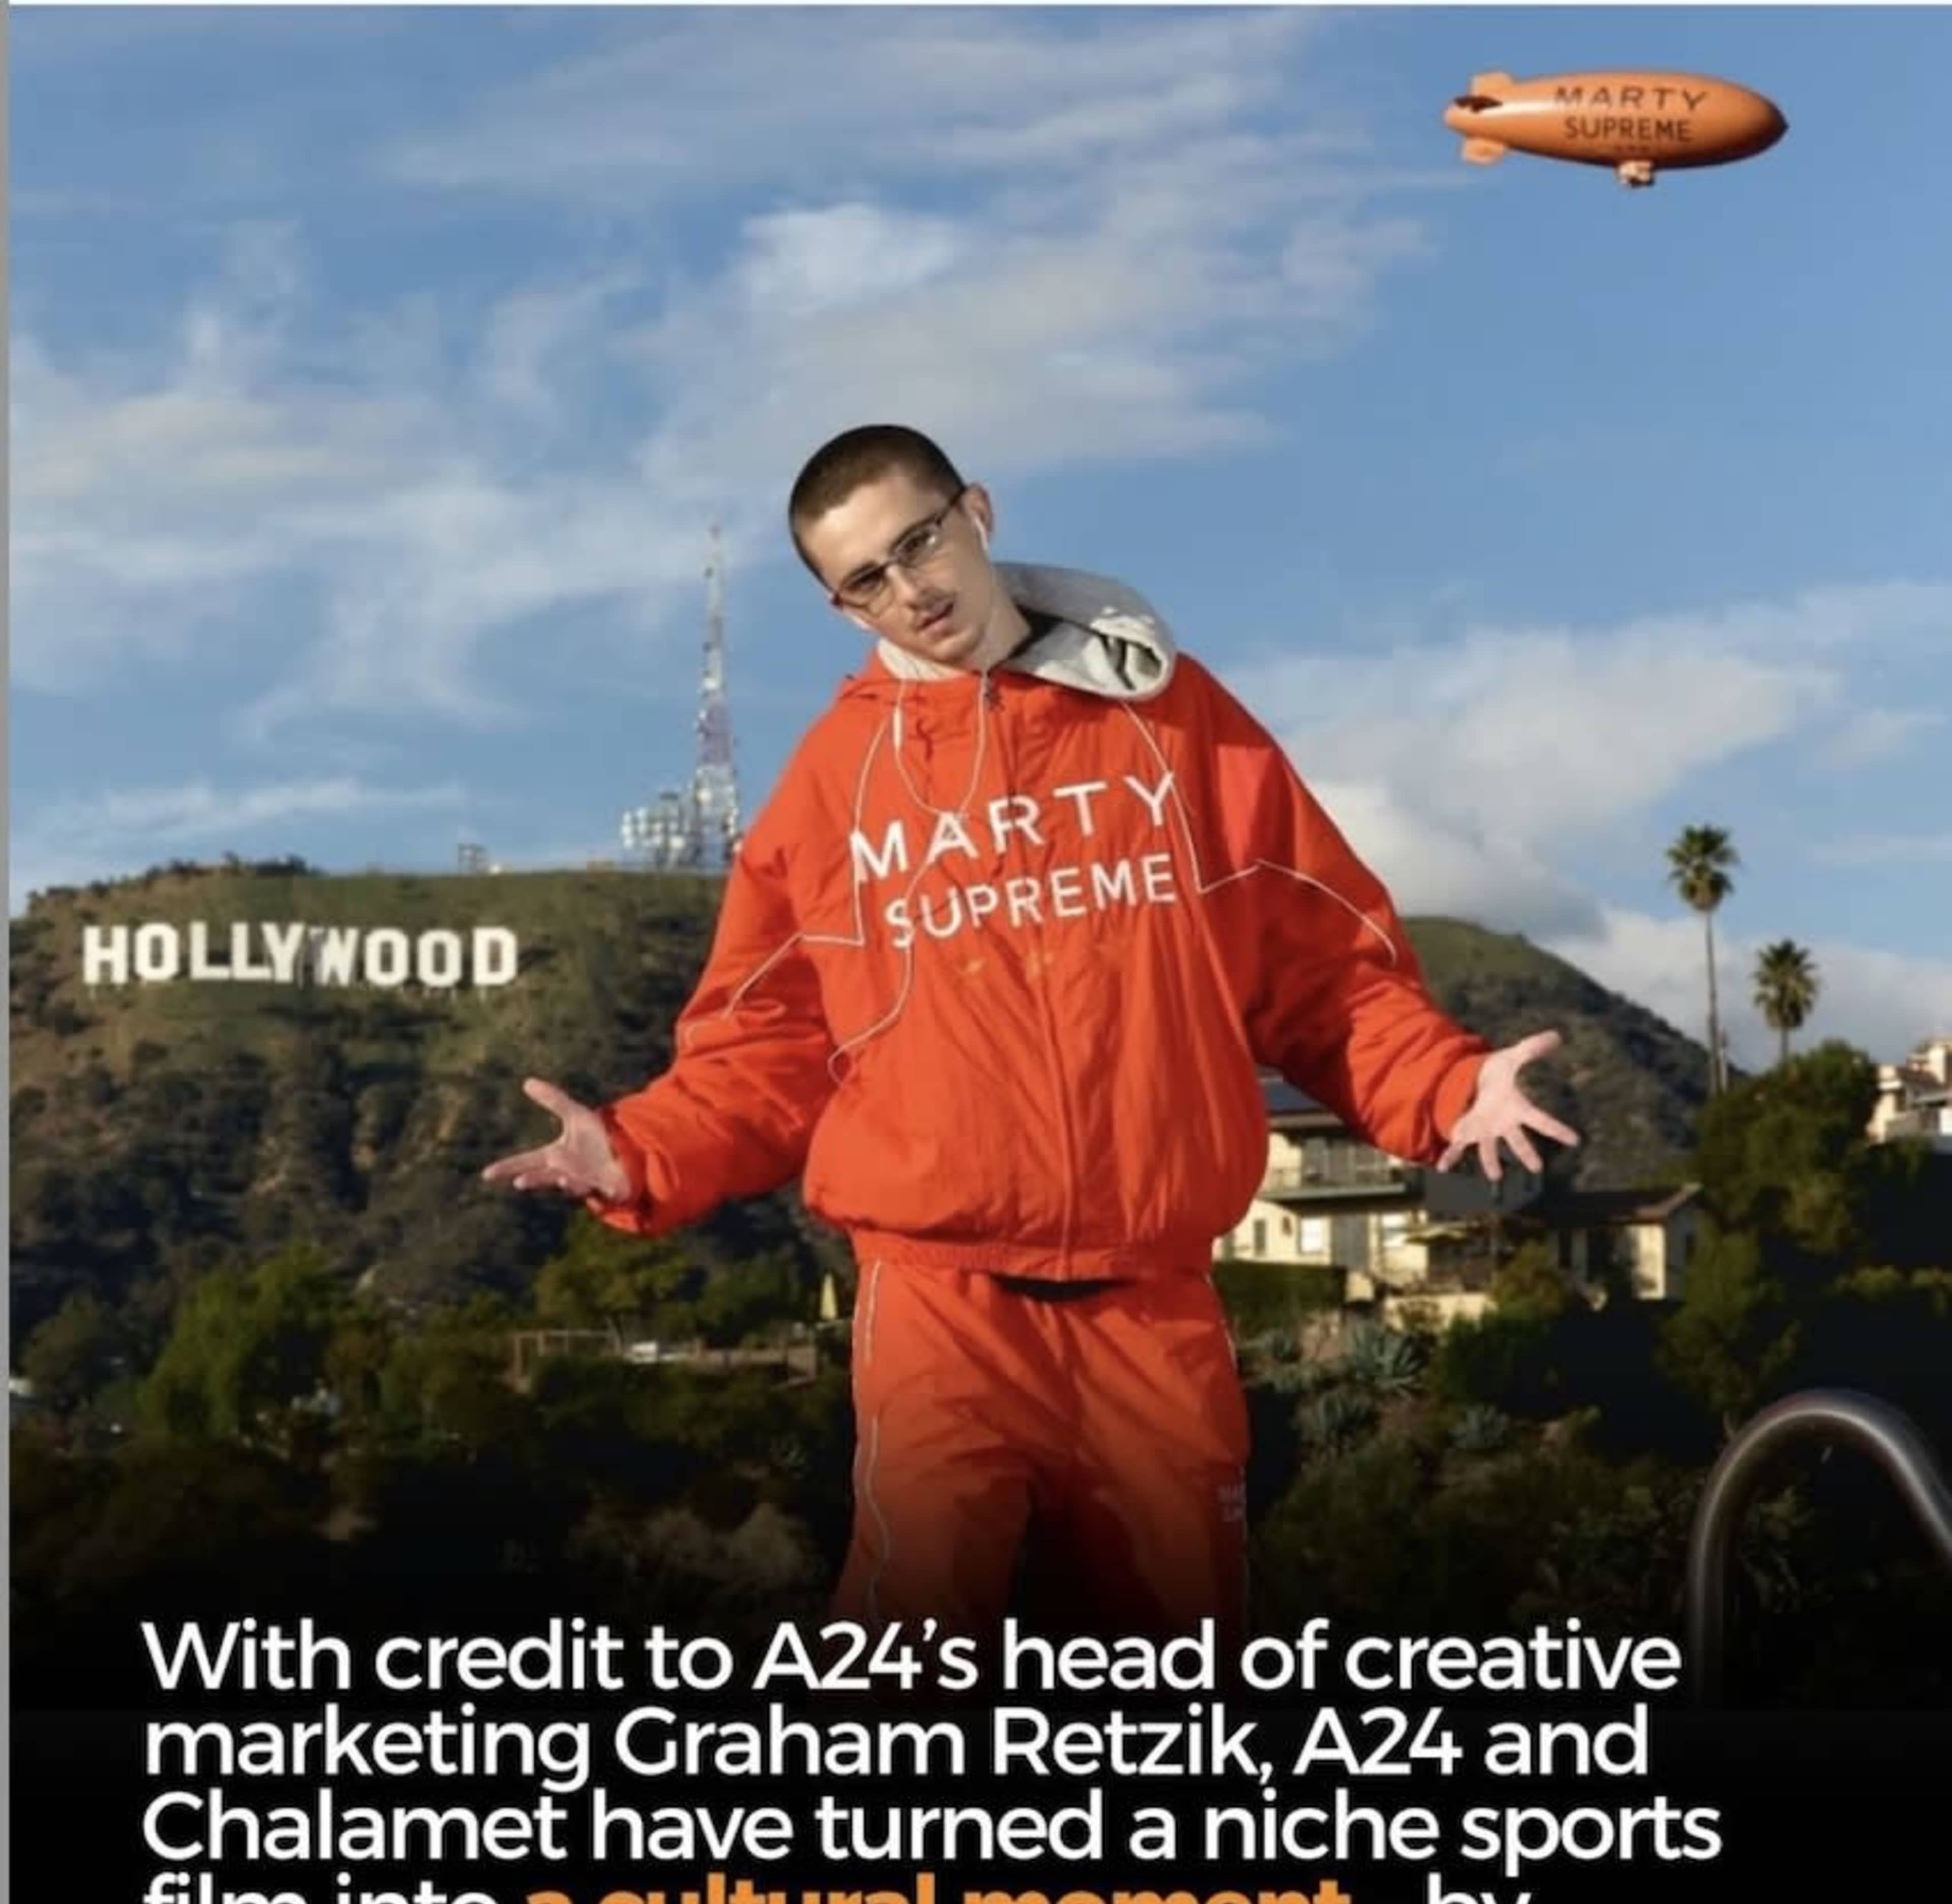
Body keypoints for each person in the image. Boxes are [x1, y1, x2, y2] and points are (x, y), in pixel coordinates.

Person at [482, 424, 1576, 1647]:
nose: (911, 590)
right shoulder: (835, 786)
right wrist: (640, 1149)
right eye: (867, 580)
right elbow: (768, 1040)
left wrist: (1446, 1085)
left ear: (979, 513)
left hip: (1152, 1300)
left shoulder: (1175, 722)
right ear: (842, 610)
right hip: (939, 1304)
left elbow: (1317, 964)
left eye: (920, 542)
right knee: (908, 1671)